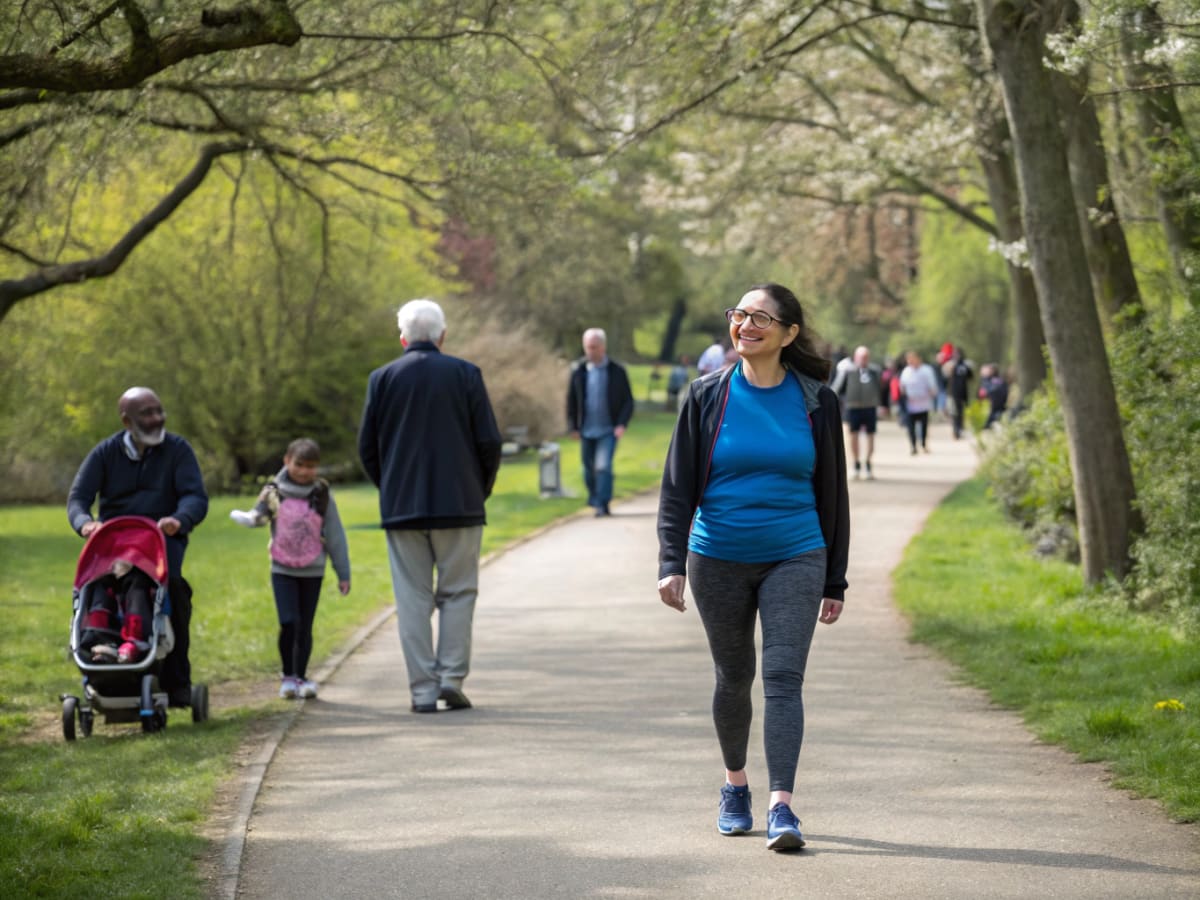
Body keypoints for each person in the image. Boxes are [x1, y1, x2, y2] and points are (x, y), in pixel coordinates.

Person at [657, 282, 849, 852]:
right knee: (733, 676)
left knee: (784, 677)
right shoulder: (705, 395)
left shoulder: (817, 401)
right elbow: (677, 489)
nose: (746, 325)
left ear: (789, 334)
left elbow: (832, 494)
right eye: (740, 314)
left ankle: (782, 807)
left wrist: (834, 577)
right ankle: (735, 786)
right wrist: (672, 562)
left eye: (762, 318)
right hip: (716, 555)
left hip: (796, 552)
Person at [358, 298, 502, 714]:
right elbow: (489, 442)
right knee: (458, 594)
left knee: (412, 600)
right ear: (442, 336)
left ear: (402, 337)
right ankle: (451, 677)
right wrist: (480, 488)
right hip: (460, 503)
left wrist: (390, 488)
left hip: (403, 508)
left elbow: (367, 448)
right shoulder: (466, 374)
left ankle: (422, 690)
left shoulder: (381, 379)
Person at [67, 386, 208, 707]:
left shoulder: (177, 450)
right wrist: (85, 523)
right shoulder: (105, 453)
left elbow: (195, 497)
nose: (157, 418)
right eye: (147, 413)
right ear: (127, 421)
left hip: (159, 538)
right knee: (94, 585)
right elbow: (78, 498)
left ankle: (176, 681)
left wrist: (179, 519)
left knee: (173, 592)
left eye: (159, 411)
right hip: (114, 541)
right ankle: (99, 652)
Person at [231, 438, 351, 700]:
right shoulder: (274, 490)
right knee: (289, 622)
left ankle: (302, 677)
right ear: (287, 461)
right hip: (282, 569)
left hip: (313, 569)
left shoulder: (321, 493)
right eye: (299, 464)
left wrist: (343, 573)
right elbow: (260, 516)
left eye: (311, 466)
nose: (304, 471)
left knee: (304, 626)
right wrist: (248, 519)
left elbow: (335, 535)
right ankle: (287, 677)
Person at [566, 328, 635, 517]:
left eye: (594, 347)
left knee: (603, 467)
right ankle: (595, 497)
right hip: (587, 429)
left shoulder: (617, 371)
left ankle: (602, 503)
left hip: (608, 429)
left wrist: (621, 424)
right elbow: (571, 400)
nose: (590, 351)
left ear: (603, 347)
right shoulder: (578, 371)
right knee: (588, 469)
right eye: (587, 347)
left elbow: (628, 401)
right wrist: (573, 426)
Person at [831, 345, 884, 480]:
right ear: (856, 358)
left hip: (870, 407)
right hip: (852, 407)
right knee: (852, 435)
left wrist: (882, 405)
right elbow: (836, 389)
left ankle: (868, 463)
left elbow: (881, 389)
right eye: (861, 357)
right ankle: (856, 464)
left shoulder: (874, 371)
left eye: (866, 357)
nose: (863, 360)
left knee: (870, 436)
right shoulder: (848, 371)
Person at [899, 350, 939, 454]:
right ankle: (913, 446)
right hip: (911, 404)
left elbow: (932, 386)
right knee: (911, 427)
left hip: (923, 404)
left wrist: (932, 395)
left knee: (924, 426)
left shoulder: (926, 370)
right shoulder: (906, 371)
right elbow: (902, 386)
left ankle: (924, 444)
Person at [978, 363, 1009, 428]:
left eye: (990, 370)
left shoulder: (996, 381)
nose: (988, 371)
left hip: (994, 408)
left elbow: (985, 393)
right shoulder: (988, 380)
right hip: (992, 407)